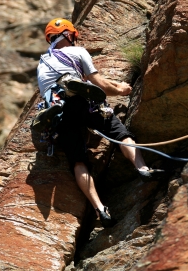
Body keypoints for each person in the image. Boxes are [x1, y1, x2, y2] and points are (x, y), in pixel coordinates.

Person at [32, 18, 165, 227]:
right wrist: (121, 89)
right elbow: (101, 84)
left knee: (78, 161)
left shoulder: (42, 64)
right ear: (68, 34)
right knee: (120, 133)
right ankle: (142, 168)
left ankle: (100, 209)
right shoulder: (78, 52)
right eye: (73, 36)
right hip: (85, 105)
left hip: (60, 113)